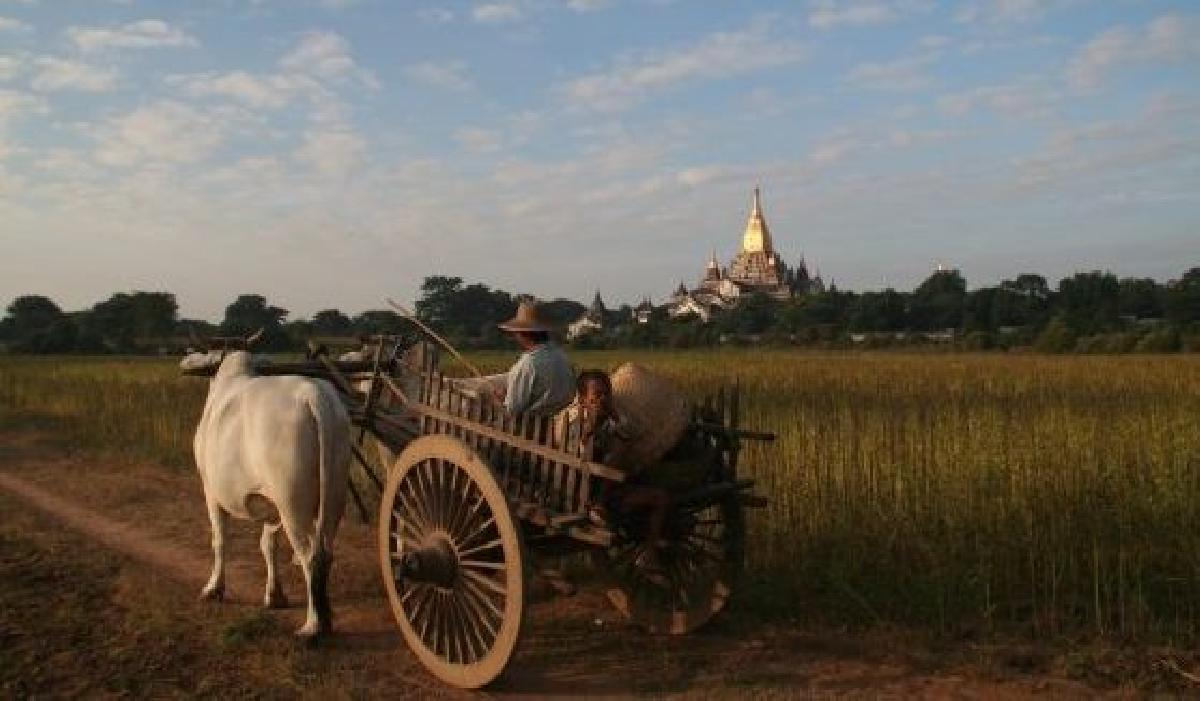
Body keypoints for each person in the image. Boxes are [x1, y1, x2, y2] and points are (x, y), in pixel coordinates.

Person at [564, 370, 671, 584]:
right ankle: (599, 505)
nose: (602, 399)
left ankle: (648, 554)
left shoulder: (613, 422)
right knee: (620, 446)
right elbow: (577, 456)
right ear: (583, 400)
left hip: (616, 490)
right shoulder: (574, 424)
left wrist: (612, 416)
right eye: (596, 395)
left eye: (606, 394)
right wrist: (590, 428)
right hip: (586, 496)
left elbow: (629, 432)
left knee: (662, 498)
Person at [491, 301, 575, 416]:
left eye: (516, 332)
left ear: (523, 333)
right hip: (561, 418)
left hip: (532, 423)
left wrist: (498, 400)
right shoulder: (562, 356)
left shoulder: (527, 364)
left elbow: (512, 410)